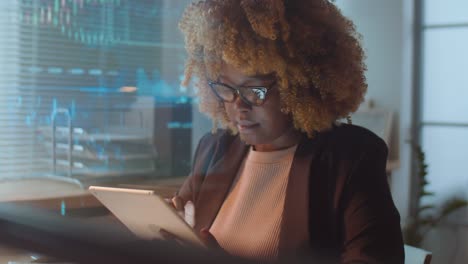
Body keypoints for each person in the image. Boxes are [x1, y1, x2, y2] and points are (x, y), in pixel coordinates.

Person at [165, 0, 405, 263]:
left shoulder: (350, 159)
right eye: (226, 89)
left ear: (301, 85)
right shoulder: (214, 149)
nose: (238, 106)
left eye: (254, 91)